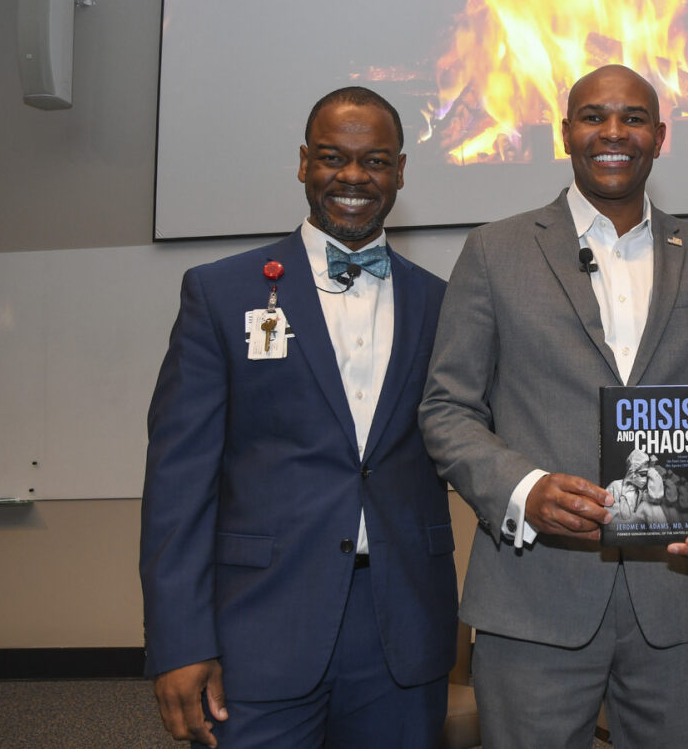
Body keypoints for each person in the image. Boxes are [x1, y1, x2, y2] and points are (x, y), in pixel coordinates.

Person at [419, 65, 688, 749]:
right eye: (593, 115)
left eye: (634, 117)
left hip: (678, 600)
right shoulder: (494, 251)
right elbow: (446, 409)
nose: (614, 132)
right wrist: (524, 488)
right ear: (565, 132)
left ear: (661, 136)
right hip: (533, 601)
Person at [140, 87, 456, 749]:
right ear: (304, 162)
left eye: (374, 161)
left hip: (402, 625)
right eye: (333, 157)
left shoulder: (441, 303)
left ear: (400, 171)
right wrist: (178, 641)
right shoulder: (222, 292)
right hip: (262, 623)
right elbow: (178, 482)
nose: (353, 177)